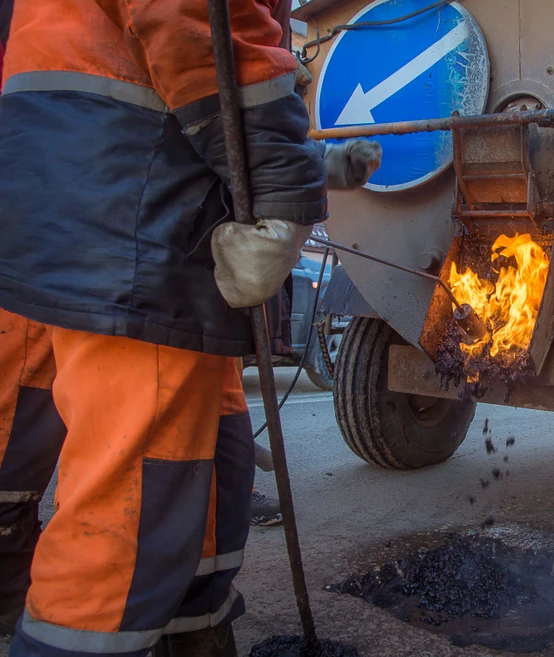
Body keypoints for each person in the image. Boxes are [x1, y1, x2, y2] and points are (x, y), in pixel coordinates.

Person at [0, 1, 379, 656]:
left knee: (184, 459)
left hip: (60, 206)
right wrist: (283, 184)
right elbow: (200, 26)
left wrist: (309, 167)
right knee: (122, 532)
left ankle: (190, 626)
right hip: (136, 225)